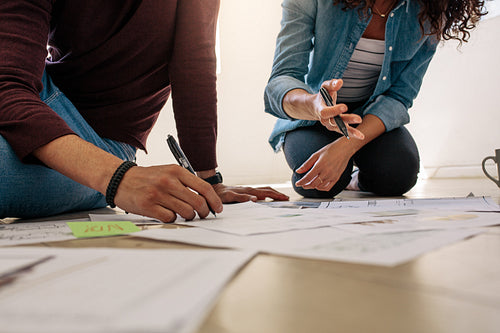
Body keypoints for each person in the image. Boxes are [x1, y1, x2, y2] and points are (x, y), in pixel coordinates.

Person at [0, 0, 289, 222]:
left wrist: (207, 178)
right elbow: (8, 82)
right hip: (35, 100)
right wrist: (118, 179)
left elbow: (194, 64)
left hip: (101, 139)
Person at [264, 0, 486, 198]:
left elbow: (399, 96)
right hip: (312, 116)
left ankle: (354, 178)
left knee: (398, 174)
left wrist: (345, 147)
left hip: (370, 116)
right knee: (318, 185)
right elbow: (282, 78)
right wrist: (314, 106)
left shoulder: (433, 11)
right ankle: (343, 170)